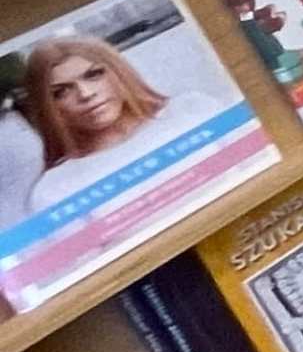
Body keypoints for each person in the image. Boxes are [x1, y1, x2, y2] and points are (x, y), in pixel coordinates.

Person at [2, 31, 225, 222]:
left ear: (119, 71)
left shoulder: (192, 110)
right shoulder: (55, 189)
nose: (86, 94)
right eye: (61, 92)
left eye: (94, 75)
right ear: (48, 106)